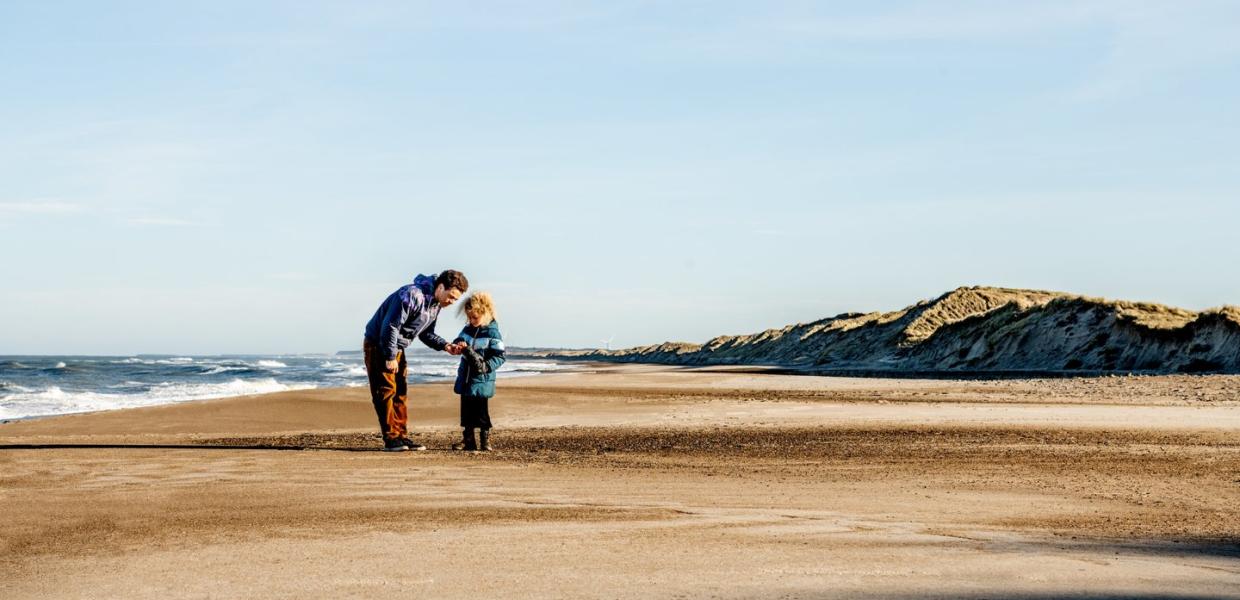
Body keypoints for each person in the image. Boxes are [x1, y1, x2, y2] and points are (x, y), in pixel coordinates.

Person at [363, 270, 468, 452]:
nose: (451, 302)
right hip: (379, 344)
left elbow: (426, 334)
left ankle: (401, 436)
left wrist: (445, 346)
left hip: (398, 347)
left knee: (401, 391)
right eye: (450, 297)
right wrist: (389, 356)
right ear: (441, 287)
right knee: (386, 391)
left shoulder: (435, 305)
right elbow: (391, 325)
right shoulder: (411, 295)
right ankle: (391, 439)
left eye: (455, 300)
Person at [450, 292, 506, 452]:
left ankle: (485, 439)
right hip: (465, 377)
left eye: (475, 318)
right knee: (466, 411)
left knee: (481, 411)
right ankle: (468, 440)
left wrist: (487, 367)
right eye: (469, 318)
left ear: (485, 313)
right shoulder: (467, 329)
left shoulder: (492, 333)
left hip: (482, 379)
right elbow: (458, 339)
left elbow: (500, 356)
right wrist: (457, 344)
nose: (471, 321)